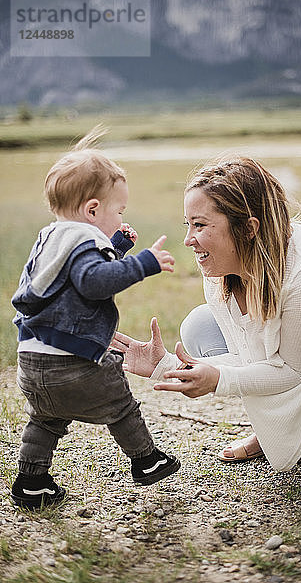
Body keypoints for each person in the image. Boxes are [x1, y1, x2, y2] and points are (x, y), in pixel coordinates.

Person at [112, 156, 301, 498]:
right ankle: (270, 431)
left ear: (249, 229)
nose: (189, 239)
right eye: (187, 225)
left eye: (201, 226)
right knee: (199, 325)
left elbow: (292, 371)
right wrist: (167, 366)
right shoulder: (221, 269)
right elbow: (251, 359)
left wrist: (218, 379)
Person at [11, 127, 180, 509]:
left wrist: (116, 246)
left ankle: (31, 482)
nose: (121, 216)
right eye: (118, 211)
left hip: (33, 361)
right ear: (92, 210)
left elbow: (76, 278)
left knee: (46, 419)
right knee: (119, 403)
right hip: (72, 362)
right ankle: (146, 461)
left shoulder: (52, 238)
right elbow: (92, 281)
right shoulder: (83, 240)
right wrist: (142, 264)